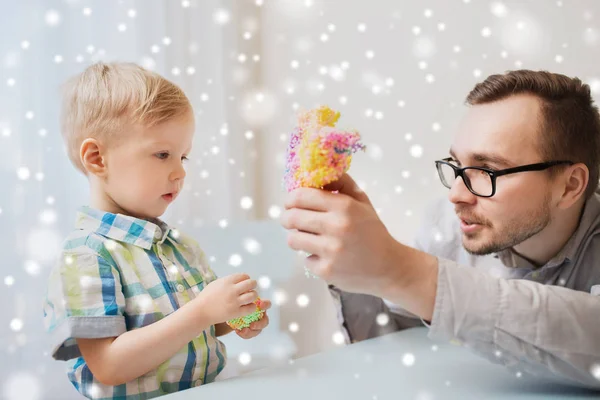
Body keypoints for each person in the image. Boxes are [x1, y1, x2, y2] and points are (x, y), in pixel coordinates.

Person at [281, 70, 600, 389]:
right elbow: (393, 343)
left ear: (570, 186)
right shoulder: (448, 227)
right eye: (457, 165)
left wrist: (405, 271)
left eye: (487, 170)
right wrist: (356, 273)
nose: (456, 195)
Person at [43, 62, 270, 399]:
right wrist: (202, 311)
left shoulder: (180, 246)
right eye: (163, 154)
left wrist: (230, 318)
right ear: (97, 159)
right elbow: (108, 365)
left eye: (183, 157)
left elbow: (192, 329)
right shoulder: (86, 256)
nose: (179, 172)